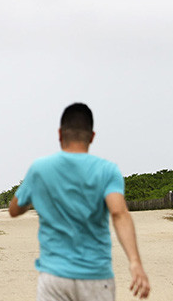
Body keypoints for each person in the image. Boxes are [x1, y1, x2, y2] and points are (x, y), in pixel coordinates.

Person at [9, 103, 150, 300]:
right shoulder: (108, 170)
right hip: (96, 277)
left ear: (60, 134)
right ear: (92, 136)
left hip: (54, 277)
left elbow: (14, 209)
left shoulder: (39, 169)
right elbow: (119, 213)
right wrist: (135, 262)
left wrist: (36, 195)